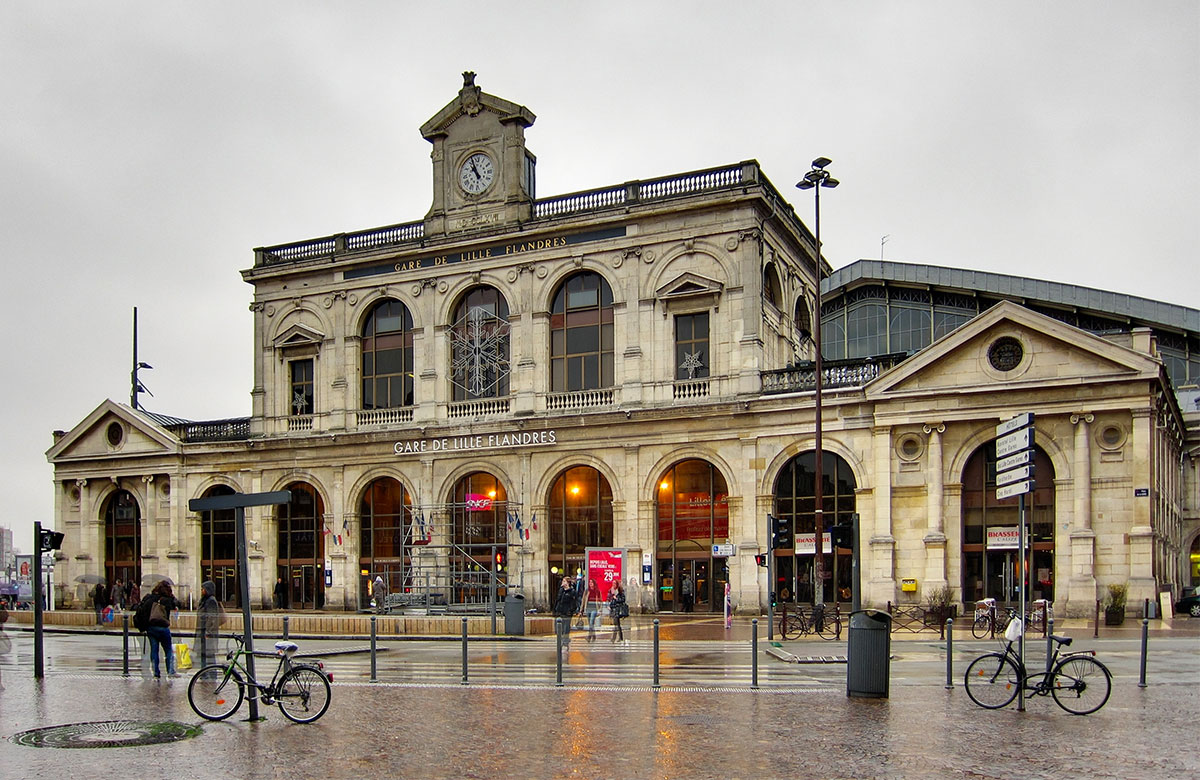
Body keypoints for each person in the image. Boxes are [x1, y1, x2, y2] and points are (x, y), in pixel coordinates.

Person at [144, 580, 181, 679]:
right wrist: (172, 596)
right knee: (168, 649)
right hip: (163, 627)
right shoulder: (167, 599)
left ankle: (156, 673)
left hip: (151, 627)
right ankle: (170, 671)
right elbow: (177, 604)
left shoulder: (151, 598)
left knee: (154, 650)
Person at [194, 580, 222, 668]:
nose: (202, 591)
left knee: (209, 654)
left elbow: (212, 618)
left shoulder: (211, 601)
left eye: (203, 589)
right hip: (202, 630)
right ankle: (204, 673)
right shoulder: (203, 600)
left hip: (207, 633)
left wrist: (208, 632)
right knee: (202, 654)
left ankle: (211, 673)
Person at [553, 576, 578, 649]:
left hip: (567, 612)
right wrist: (555, 609)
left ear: (568, 583)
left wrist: (571, 611)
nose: (562, 583)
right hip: (560, 611)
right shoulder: (561, 590)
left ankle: (565, 642)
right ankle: (560, 641)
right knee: (559, 628)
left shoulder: (572, 592)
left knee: (566, 628)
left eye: (564, 581)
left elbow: (574, 602)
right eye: (562, 581)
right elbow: (557, 600)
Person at [584, 578, 602, 642]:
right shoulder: (587, 591)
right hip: (588, 607)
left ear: (594, 583)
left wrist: (600, 609)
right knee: (590, 624)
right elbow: (584, 600)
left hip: (594, 608)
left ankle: (589, 636)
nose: (590, 584)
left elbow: (600, 600)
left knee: (591, 622)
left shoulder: (597, 591)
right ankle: (593, 635)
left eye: (591, 582)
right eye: (589, 582)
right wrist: (582, 609)